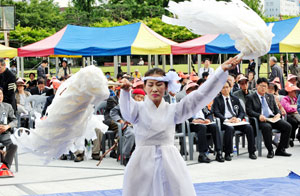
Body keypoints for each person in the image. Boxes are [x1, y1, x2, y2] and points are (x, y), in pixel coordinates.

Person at [119, 56, 240, 196]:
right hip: (142, 163)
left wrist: (220, 71)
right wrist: (125, 92)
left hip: (169, 162)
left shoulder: (173, 110)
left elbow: (200, 95)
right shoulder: (137, 109)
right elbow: (127, 112)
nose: (154, 89)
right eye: (150, 84)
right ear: (144, 87)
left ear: (166, 87)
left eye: (159, 84)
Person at [246, 77, 292, 158]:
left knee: (287, 126)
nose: (263, 88)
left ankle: (280, 149)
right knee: (267, 127)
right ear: (257, 86)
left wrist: (278, 114)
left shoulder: (270, 96)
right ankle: (270, 150)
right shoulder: (251, 97)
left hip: (271, 118)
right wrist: (258, 115)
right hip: (260, 120)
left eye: (265, 86)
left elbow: (276, 109)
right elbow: (249, 110)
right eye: (262, 86)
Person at [212, 81, 256, 161]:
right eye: (223, 87)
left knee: (249, 127)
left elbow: (242, 112)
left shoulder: (235, 99)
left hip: (236, 121)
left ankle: (252, 152)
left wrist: (238, 119)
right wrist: (227, 120)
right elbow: (216, 112)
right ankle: (228, 153)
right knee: (230, 129)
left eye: (227, 87)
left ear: (230, 88)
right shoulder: (217, 100)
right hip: (225, 122)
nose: (225, 89)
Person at [186, 82, 224, 163]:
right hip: (193, 123)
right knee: (202, 127)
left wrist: (209, 119)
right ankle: (202, 154)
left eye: (196, 89)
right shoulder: (185, 103)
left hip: (204, 122)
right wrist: (193, 120)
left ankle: (219, 152)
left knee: (214, 126)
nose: (194, 91)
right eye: (191, 89)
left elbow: (209, 113)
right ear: (187, 92)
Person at [0, 88, 18, 170]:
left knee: (14, 144)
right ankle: (1, 154)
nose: (0, 96)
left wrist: (7, 126)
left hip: (4, 133)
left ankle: (6, 165)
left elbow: (15, 121)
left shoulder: (7, 106)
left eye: (1, 94)